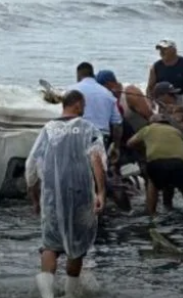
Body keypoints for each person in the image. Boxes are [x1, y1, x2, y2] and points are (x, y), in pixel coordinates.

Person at [25, 90, 106, 298]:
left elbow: (31, 165)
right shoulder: (89, 128)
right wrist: (101, 192)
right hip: (80, 195)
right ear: (78, 105)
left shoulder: (48, 129)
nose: (84, 109)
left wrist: (35, 198)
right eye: (84, 105)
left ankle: (47, 295)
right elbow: (96, 160)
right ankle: (71, 293)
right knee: (76, 244)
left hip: (52, 195)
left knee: (50, 245)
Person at [126, 113, 183, 215]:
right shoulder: (177, 131)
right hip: (179, 163)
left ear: (152, 122)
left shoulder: (148, 129)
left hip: (157, 163)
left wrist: (142, 148)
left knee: (153, 183)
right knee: (177, 183)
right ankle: (168, 206)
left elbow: (130, 143)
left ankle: (151, 212)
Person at [68, 62, 123, 156]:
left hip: (79, 135)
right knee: (98, 168)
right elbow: (117, 124)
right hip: (100, 137)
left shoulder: (72, 90)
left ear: (79, 75)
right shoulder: (107, 94)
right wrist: (116, 146)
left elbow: (66, 117)